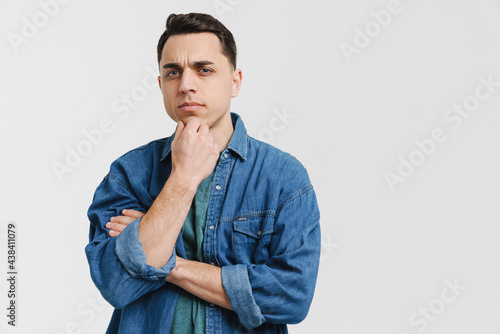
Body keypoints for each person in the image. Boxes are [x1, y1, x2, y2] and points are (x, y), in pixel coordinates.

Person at [85, 12, 321, 334]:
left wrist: (167, 263)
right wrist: (182, 179)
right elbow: (117, 284)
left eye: (204, 70)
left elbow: (291, 296)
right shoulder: (129, 174)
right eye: (173, 72)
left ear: (234, 81)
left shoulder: (282, 178)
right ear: (161, 85)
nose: (185, 85)